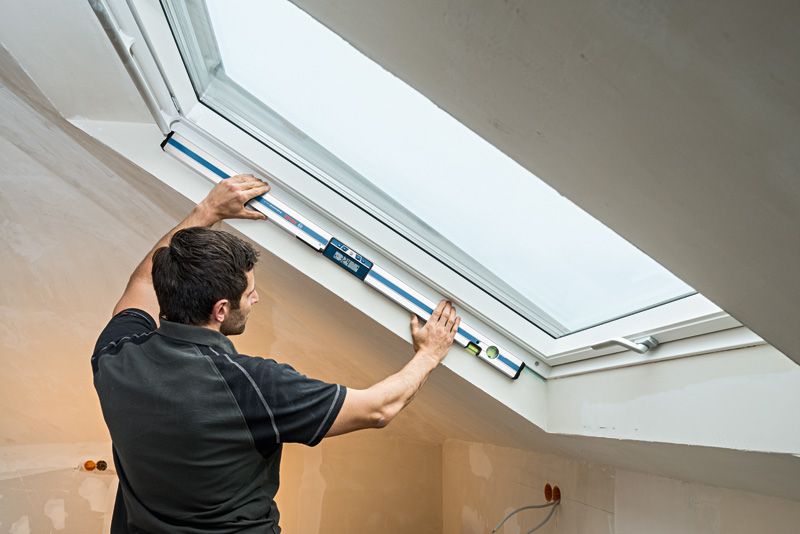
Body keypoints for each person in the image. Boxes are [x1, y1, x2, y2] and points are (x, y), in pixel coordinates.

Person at [92, 175, 461, 533]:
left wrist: (208, 210)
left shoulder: (116, 355)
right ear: (220, 310)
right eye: (249, 292)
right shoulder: (252, 386)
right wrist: (430, 354)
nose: (256, 298)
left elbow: (143, 282)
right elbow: (377, 408)